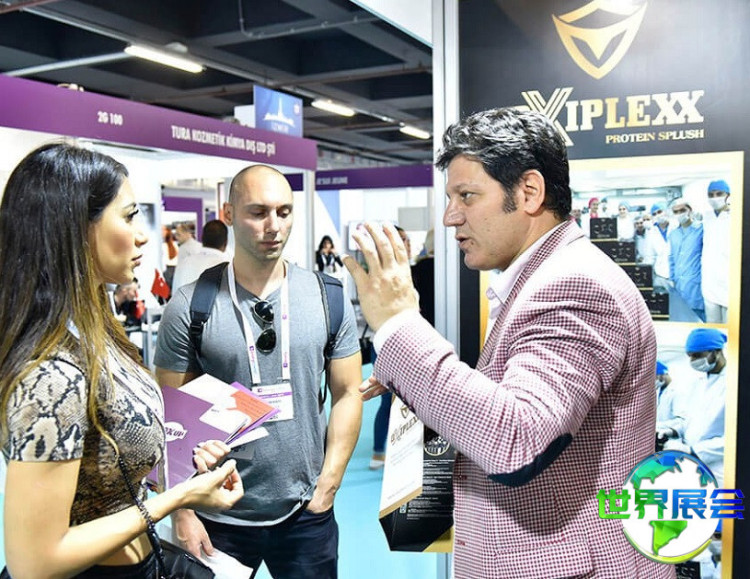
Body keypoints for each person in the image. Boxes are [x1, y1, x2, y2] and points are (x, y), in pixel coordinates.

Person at [343, 108, 672, 578]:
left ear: (529, 192)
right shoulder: (546, 276)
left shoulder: (574, 285)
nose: (451, 217)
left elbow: (517, 439)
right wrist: (416, 377)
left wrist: (398, 325)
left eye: (467, 196)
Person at [0, 143, 243, 578]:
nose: (143, 235)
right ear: (75, 228)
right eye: (129, 217)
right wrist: (177, 499)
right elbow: (34, 563)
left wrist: (184, 461)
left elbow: (106, 454)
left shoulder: (98, 330)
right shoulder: (51, 375)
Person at [154, 164, 363, 578]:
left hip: (306, 513)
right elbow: (169, 417)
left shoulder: (327, 297)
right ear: (229, 214)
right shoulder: (191, 306)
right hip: (216, 513)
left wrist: (329, 483)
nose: (274, 226)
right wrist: (182, 513)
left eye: (284, 212)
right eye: (258, 212)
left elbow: (347, 393)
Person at [664, 328, 726, 486]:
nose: (692, 361)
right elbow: (691, 420)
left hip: (718, 467)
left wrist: (694, 451)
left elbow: (735, 438)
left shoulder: (734, 383)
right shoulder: (699, 382)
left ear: (716, 352)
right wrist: (673, 430)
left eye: (697, 355)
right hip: (693, 465)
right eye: (690, 356)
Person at [668, 198, 705, 321]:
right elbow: (672, 258)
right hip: (678, 285)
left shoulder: (700, 230)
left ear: (690, 210)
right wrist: (672, 278)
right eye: (676, 211)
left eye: (682, 210)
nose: (679, 214)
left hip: (696, 285)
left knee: (699, 319)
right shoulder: (673, 234)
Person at [171, 219, 230, 292]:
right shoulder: (229, 269)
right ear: (225, 243)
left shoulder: (184, 263)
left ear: (202, 239)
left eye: (178, 234)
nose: (176, 237)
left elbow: (175, 294)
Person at [702, 180, 731, 323]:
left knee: (730, 325)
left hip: (728, 281)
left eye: (719, 194)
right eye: (711, 195)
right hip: (709, 281)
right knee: (712, 324)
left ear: (728, 195)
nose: (715, 198)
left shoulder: (736, 215)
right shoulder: (707, 217)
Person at [654, 361, 685, 451]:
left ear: (662, 375)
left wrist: (657, 425)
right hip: (660, 437)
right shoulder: (659, 391)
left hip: (674, 440)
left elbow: (681, 420)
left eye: (654, 378)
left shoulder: (677, 391)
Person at [649, 202, 671, 291]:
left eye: (659, 212)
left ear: (666, 211)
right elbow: (651, 255)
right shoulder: (651, 232)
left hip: (678, 273)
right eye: (654, 214)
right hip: (660, 273)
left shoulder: (676, 226)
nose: (658, 215)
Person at [162, 224, 178, 290]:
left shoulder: (163, 245)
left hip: (167, 270)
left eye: (163, 230)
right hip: (174, 270)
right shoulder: (174, 244)